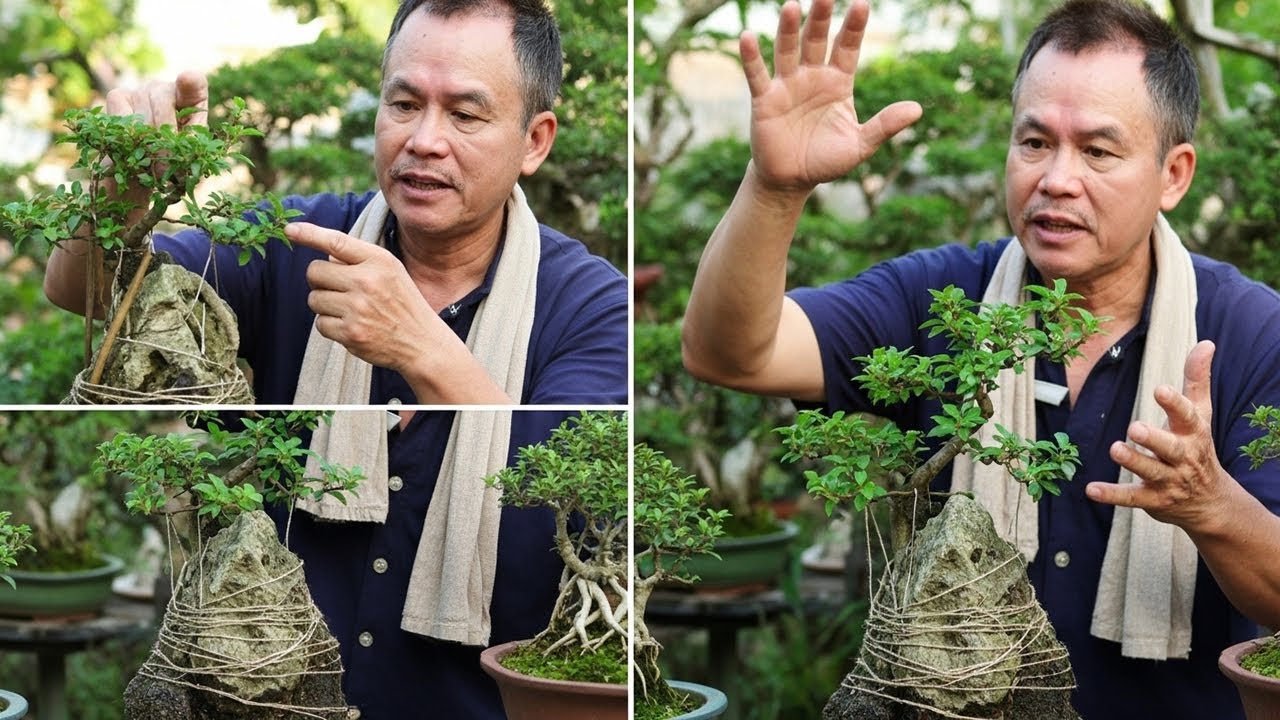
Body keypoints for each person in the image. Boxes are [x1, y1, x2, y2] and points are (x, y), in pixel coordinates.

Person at [681, 0, 1280, 718]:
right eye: (1034, 142)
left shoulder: (1250, 332)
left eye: (1098, 151)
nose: (1056, 178)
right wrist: (776, 189)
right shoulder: (944, 299)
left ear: (1174, 174)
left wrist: (1211, 505)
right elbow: (731, 355)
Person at [43, 0, 626, 717]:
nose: (424, 140)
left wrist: (421, 346)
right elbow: (89, 295)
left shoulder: (590, 305)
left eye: (466, 115)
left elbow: (567, 491)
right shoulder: (298, 243)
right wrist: (116, 198)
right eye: (404, 103)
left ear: (535, 141)